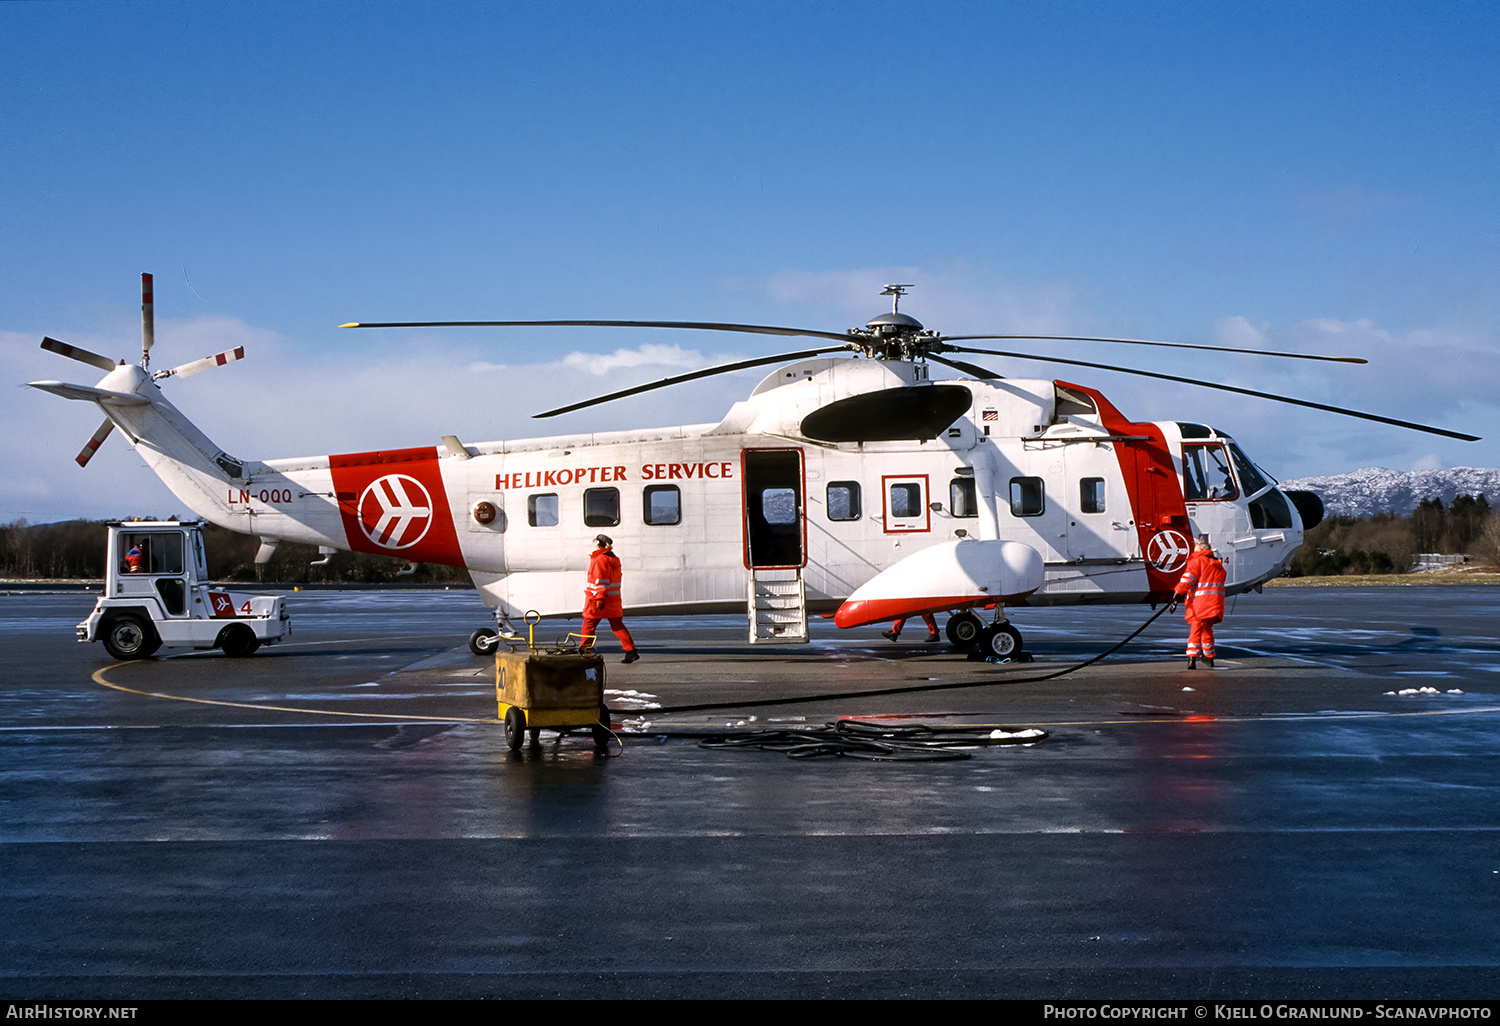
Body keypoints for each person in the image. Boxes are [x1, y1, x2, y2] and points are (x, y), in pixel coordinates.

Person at [1169, 535, 1226, 669]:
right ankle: (1209, 657)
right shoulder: (1218, 565)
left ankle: (1192, 658)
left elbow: (1187, 580)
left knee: (1195, 630)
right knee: (1207, 630)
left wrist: (1177, 594)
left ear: (1200, 550)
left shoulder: (1197, 561)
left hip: (1200, 605)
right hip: (1215, 605)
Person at [582, 534, 639, 663]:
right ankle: (631, 651)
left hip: (598, 599)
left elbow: (600, 579)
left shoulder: (599, 559)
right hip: (613, 599)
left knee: (589, 624)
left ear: (598, 545)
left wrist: (599, 598)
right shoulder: (614, 559)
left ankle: (584, 649)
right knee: (617, 625)